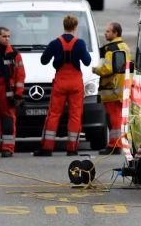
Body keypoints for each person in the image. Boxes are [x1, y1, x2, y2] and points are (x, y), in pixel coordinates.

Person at [34, 15, 91, 156]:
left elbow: (43, 60)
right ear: (75, 27)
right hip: (75, 82)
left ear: (64, 26)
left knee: (53, 114)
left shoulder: (55, 43)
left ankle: (47, 148)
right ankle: (72, 148)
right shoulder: (80, 43)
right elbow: (87, 61)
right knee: (75, 115)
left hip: (60, 82)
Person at [0, 27, 25, 157]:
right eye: (4, 36)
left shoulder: (14, 54)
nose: (7, 39)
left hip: (7, 90)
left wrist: (19, 93)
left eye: (8, 36)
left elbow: (20, 75)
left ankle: (7, 148)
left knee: (8, 119)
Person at [93, 22, 130, 155]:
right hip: (122, 87)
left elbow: (107, 68)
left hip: (112, 89)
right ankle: (117, 143)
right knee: (118, 117)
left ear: (115, 33)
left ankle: (114, 145)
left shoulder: (111, 48)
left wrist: (95, 70)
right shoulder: (124, 46)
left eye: (108, 31)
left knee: (113, 118)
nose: (105, 33)